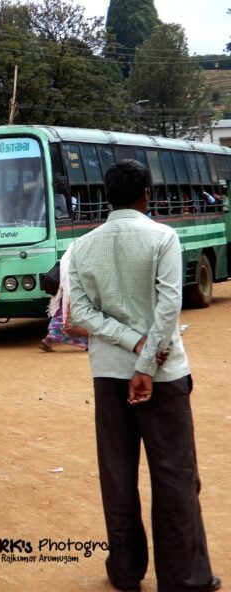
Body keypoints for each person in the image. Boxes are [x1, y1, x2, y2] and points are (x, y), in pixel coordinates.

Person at [67, 160, 220, 592]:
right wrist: (147, 362)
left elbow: (80, 313)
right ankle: (185, 578)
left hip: (108, 373)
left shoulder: (82, 247)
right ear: (147, 194)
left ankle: (125, 570)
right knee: (174, 475)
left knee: (117, 473)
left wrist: (131, 345)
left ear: (106, 195)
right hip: (165, 374)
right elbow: (170, 307)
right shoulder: (163, 237)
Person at [39, 249, 89, 352]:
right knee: (80, 317)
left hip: (63, 290)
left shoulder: (69, 252)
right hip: (74, 291)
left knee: (60, 315)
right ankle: (87, 344)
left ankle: (47, 339)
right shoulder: (83, 252)